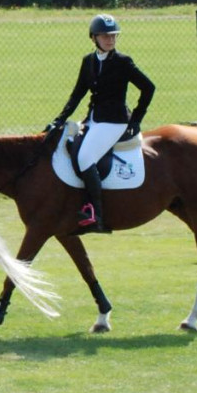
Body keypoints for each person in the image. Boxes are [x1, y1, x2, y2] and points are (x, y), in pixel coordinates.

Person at [45, 14, 155, 233]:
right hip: (93, 120)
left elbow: (148, 87)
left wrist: (136, 119)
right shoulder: (88, 61)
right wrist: (59, 119)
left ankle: (96, 215)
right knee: (67, 145)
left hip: (114, 122)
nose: (111, 39)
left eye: (113, 35)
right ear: (94, 37)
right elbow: (77, 94)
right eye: (105, 36)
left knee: (85, 157)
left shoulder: (123, 62)